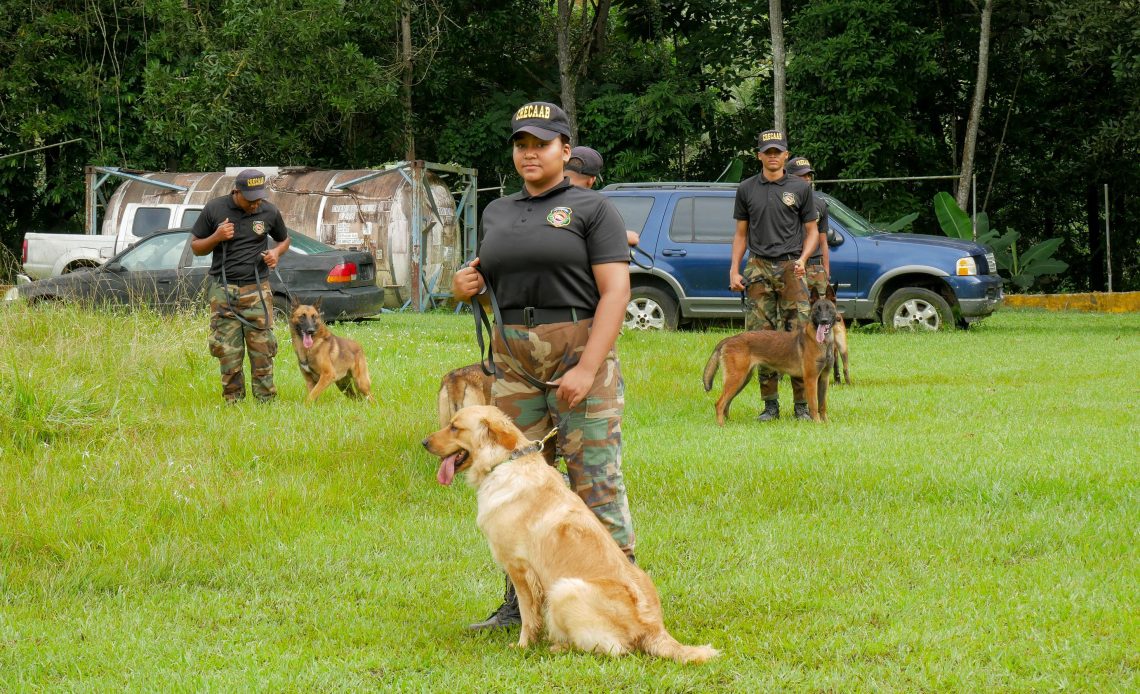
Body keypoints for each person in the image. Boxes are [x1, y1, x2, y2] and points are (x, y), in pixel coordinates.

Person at [451, 101, 636, 629]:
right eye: (521, 144)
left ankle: (623, 594)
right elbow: (490, 278)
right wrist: (468, 286)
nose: (529, 153)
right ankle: (522, 602)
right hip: (513, 361)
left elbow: (616, 291)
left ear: (565, 150)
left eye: (541, 143)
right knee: (515, 480)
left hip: (580, 352)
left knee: (593, 479)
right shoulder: (498, 211)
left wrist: (586, 368)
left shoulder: (592, 209)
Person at [729, 130, 819, 421]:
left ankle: (802, 406)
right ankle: (770, 405)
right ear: (759, 155)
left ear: (786, 156)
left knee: (801, 335)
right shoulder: (746, 189)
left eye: (777, 152)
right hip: (758, 266)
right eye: (767, 151)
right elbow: (740, 234)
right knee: (761, 338)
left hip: (791, 266)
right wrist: (734, 269)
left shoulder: (801, 189)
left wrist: (804, 260)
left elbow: (812, 232)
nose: (772, 156)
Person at [191, 169, 290, 403]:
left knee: (263, 349)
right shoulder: (215, 209)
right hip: (223, 292)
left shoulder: (269, 211)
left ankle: (266, 401)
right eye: (250, 198)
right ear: (236, 191)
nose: (256, 203)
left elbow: (284, 239)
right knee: (228, 351)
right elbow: (196, 247)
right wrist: (216, 236)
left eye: (259, 197)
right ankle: (233, 401)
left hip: (257, 290)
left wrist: (276, 252)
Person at [566, 145, 640, 248]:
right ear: (591, 180)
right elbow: (633, 238)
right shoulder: (595, 204)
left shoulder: (543, 195)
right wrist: (625, 236)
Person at [786, 155, 831, 298]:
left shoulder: (819, 203)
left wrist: (826, 269)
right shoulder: (783, 202)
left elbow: (823, 240)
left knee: (819, 311)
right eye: (801, 175)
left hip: (815, 266)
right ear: (790, 177)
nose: (806, 179)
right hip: (792, 264)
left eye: (808, 175)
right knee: (794, 311)